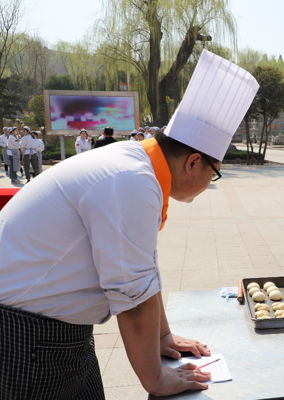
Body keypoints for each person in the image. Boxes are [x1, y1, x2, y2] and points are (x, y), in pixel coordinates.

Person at [0, 49, 259, 399]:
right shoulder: (130, 181)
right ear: (193, 162)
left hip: (56, 333)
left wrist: (163, 337)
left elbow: (142, 274)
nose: (210, 184)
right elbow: (132, 299)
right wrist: (156, 381)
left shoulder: (135, 168)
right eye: (214, 174)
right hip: (24, 337)